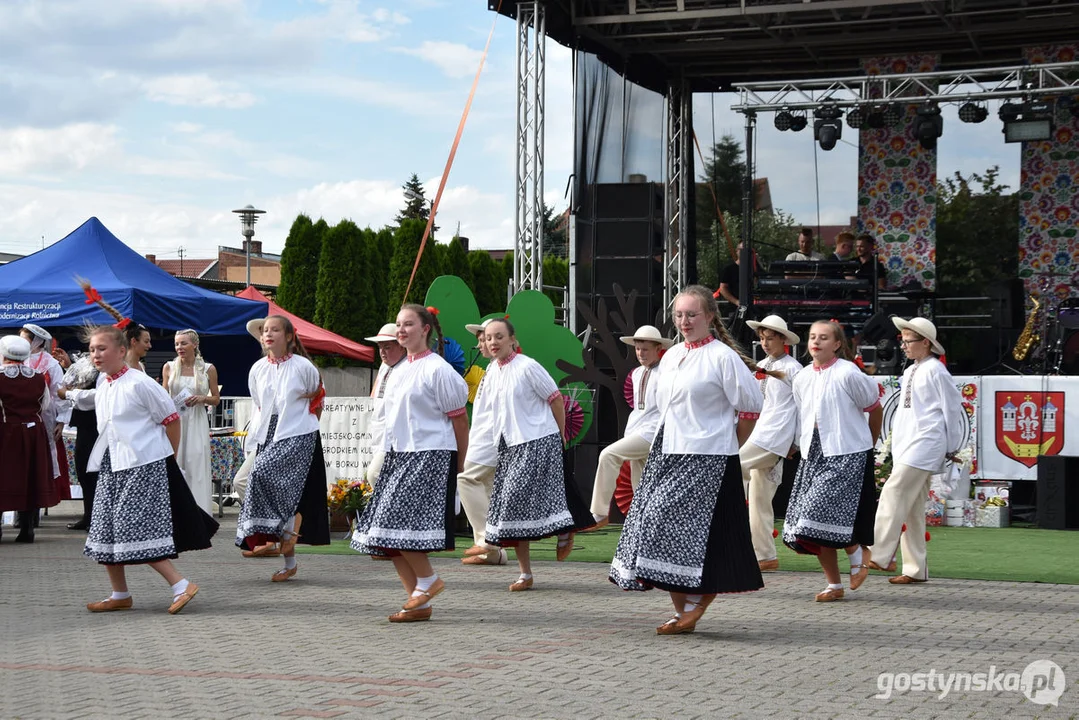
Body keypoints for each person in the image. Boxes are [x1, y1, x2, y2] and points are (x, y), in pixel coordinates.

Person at [610, 285, 767, 635]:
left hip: (708, 455)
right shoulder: (672, 355)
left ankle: (697, 603)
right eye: (679, 315)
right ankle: (685, 610)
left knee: (679, 526)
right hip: (668, 451)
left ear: (710, 316)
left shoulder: (722, 357)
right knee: (652, 524)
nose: (684, 321)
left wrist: (728, 445)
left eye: (692, 314)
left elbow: (751, 406)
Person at [79, 324, 218, 614]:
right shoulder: (103, 383)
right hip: (112, 464)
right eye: (92, 349)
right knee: (105, 528)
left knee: (133, 528)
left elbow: (171, 419)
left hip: (143, 464)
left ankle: (181, 584)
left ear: (121, 350)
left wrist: (171, 458)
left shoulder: (141, 383)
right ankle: (120, 593)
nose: (95, 354)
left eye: (101, 348)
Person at [350, 304, 469, 623]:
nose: (401, 330)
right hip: (398, 456)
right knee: (381, 534)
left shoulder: (439, 370)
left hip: (429, 454)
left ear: (425, 329)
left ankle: (428, 581)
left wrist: (462, 465)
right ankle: (417, 601)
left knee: (393, 523)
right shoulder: (397, 370)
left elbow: (459, 422)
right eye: (399, 325)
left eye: (408, 325)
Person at [482, 318, 593, 591]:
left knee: (516, 498)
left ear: (512, 339)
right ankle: (526, 574)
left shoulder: (528, 366)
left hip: (537, 439)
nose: (493, 342)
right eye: (488, 338)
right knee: (515, 509)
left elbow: (555, 398)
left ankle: (565, 529)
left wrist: (558, 436)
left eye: (499, 337)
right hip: (509, 445)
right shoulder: (491, 370)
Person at [783, 319, 883, 602]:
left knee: (816, 512)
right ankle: (834, 584)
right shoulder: (802, 377)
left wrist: (868, 445)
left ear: (837, 344)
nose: (816, 342)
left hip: (846, 452)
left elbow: (874, 409)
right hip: (812, 452)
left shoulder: (848, 373)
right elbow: (803, 417)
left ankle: (857, 551)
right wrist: (794, 444)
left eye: (824, 337)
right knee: (808, 525)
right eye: (813, 336)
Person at [868, 317, 965, 584]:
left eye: (909, 341)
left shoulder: (936, 370)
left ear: (926, 343)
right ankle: (915, 568)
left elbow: (953, 409)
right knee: (912, 507)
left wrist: (952, 446)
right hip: (908, 443)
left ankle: (879, 552)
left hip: (927, 442)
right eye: (903, 341)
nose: (904, 346)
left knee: (893, 490)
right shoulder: (911, 371)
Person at [237, 315, 331, 581]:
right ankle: (289, 559)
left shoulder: (303, 367)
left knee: (262, 476)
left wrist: (310, 438)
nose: (268, 334)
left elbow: (317, 400)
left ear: (289, 336)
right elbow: (259, 404)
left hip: (299, 431)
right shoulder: (258, 369)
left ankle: (282, 533)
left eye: (275, 330)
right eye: (265, 331)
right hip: (268, 431)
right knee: (273, 488)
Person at [588, 324, 672, 531]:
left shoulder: (667, 372)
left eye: (645, 348)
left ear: (657, 348)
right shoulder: (635, 374)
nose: (641, 353)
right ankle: (647, 531)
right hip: (637, 431)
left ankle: (599, 512)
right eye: (637, 348)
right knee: (640, 486)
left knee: (608, 455)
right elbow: (639, 409)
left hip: (653, 433)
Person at [739, 315, 803, 572]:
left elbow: (803, 408)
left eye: (770, 338)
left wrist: (796, 442)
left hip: (775, 437)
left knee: (733, 467)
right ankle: (765, 556)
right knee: (760, 499)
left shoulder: (794, 368)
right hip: (761, 434)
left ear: (783, 340)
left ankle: (723, 535)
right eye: (762, 338)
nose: (765, 343)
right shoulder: (761, 365)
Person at [458, 318, 508, 567]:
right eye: (481, 338)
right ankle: (494, 551)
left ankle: (486, 539)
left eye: (484, 338)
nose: (481, 344)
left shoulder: (505, 368)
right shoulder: (491, 369)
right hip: (482, 439)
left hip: (491, 440)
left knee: (466, 480)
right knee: (486, 490)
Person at [0, 336, 57, 544]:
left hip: (5, 432)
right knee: (30, 476)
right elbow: (45, 405)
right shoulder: (38, 377)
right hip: (33, 432)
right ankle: (27, 528)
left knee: (4, 477)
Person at [161, 329, 219, 513]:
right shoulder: (168, 367)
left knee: (196, 462)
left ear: (194, 345)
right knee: (176, 462)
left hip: (197, 420)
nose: (179, 347)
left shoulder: (208, 368)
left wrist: (202, 398)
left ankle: (199, 511)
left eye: (184, 343)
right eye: (177, 343)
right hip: (175, 419)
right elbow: (163, 396)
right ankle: (175, 511)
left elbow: (216, 398)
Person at [19, 324, 70, 528]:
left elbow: (60, 394)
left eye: (25, 340)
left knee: (38, 466)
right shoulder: (11, 359)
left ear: (36, 341)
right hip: (14, 422)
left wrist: (61, 420)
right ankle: (19, 514)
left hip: (43, 421)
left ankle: (31, 515)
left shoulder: (50, 364)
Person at [53, 346, 101, 531]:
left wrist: (70, 392)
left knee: (93, 472)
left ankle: (95, 518)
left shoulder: (109, 370)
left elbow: (91, 393)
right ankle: (89, 516)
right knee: (83, 471)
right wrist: (70, 367)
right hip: (84, 424)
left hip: (97, 424)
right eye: (92, 349)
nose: (95, 354)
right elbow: (80, 381)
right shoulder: (87, 365)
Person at [363, 323, 406, 489]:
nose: (382, 352)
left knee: (375, 474)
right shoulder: (384, 366)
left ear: (401, 346)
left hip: (394, 437)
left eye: (387, 347)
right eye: (380, 347)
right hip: (378, 431)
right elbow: (375, 395)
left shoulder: (406, 369)